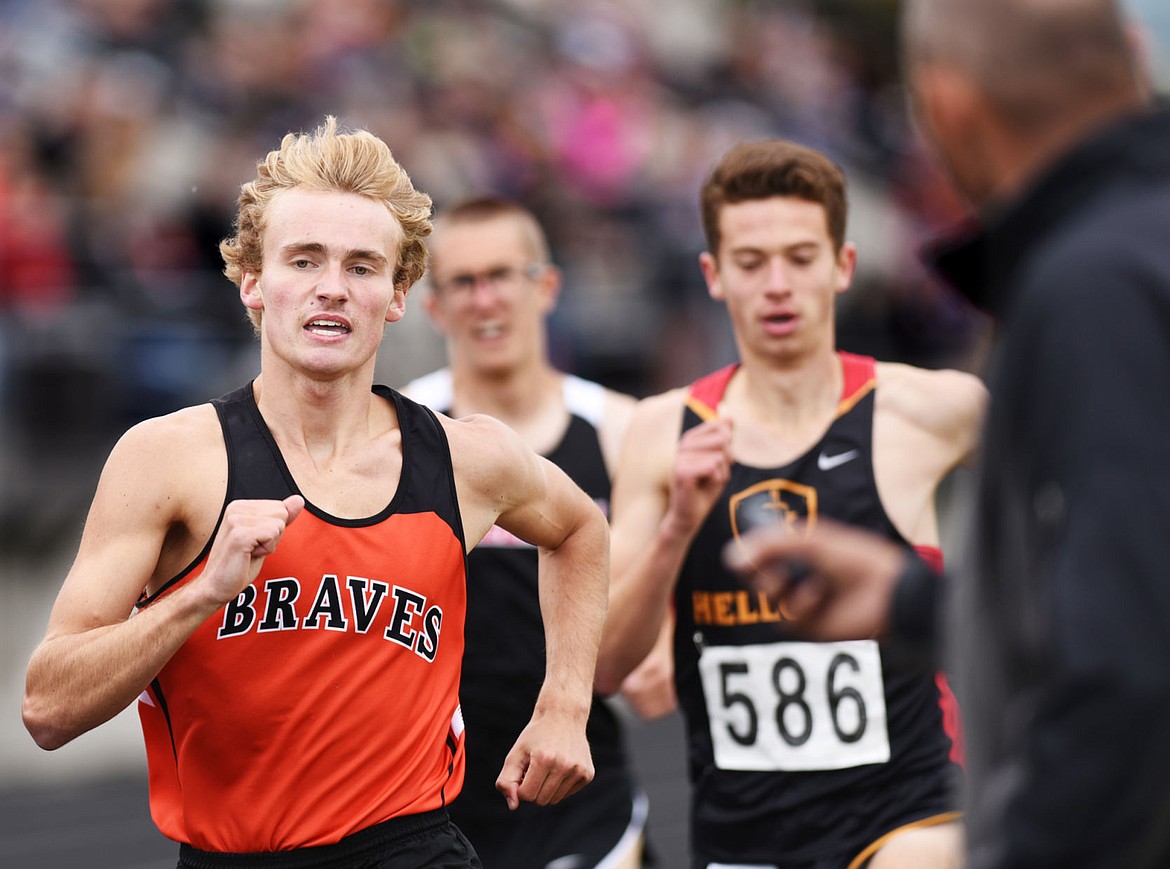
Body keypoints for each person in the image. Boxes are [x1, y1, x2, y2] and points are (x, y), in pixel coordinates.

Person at [21, 117, 611, 868]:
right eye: (305, 260)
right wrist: (201, 592)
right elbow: (47, 708)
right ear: (253, 281)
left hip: (412, 846)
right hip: (229, 853)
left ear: (396, 295)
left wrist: (565, 704)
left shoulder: (466, 457)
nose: (332, 286)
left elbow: (580, 530)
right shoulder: (167, 458)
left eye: (363, 267)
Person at [724, 1, 1170, 867]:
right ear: (1133, 51)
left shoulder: (1094, 287)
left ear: (946, 103)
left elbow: (1127, 657)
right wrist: (916, 601)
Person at [593, 137, 987, 869]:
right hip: (741, 833)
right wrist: (679, 525)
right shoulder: (661, 431)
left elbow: (1088, 474)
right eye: (751, 263)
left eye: (801, 258)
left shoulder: (930, 410)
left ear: (843, 267)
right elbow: (606, 663)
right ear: (713, 275)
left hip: (906, 809)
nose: (777, 284)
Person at [402, 195, 669, 868]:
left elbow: (671, 582)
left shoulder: (622, 428)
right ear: (434, 305)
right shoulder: (401, 430)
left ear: (546, 286)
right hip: (428, 799)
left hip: (585, 792)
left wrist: (666, 638)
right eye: (462, 281)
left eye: (503, 275)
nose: (485, 299)